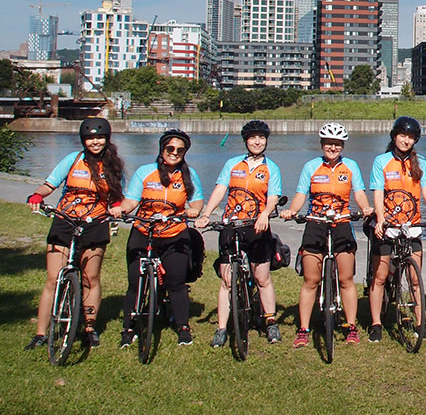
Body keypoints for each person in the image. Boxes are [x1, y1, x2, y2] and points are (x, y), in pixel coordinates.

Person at [25, 117, 126, 350]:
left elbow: (118, 197)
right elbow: (50, 184)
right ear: (83, 140)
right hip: (65, 221)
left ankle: (90, 328)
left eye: (99, 137)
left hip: (95, 223)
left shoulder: (113, 165)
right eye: (90, 138)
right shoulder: (72, 160)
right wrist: (37, 195)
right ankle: (41, 333)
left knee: (91, 279)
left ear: (107, 138)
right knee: (52, 279)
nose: (95, 142)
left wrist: (118, 207)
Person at [280, 122, 371, 347]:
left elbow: (358, 193)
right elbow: (301, 194)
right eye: (329, 143)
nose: (333, 147)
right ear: (322, 144)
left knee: (346, 279)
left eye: (337, 144)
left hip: (342, 223)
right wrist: (292, 210)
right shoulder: (311, 166)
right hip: (316, 223)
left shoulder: (350, 167)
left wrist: (367, 208)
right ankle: (303, 330)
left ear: (342, 145)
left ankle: (351, 327)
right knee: (311, 280)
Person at [196, 120, 284, 346]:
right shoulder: (233, 164)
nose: (257, 141)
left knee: (262, 278)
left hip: (257, 226)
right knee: (226, 281)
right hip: (231, 224)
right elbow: (220, 189)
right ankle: (222, 328)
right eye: (253, 137)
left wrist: (265, 214)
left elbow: (273, 196)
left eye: (261, 137)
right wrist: (206, 214)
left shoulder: (271, 167)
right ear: (246, 140)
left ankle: (271, 321)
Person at [118, 129, 204, 347]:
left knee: (176, 283)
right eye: (170, 148)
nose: (174, 153)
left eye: (180, 150)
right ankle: (129, 327)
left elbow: (197, 202)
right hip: (144, 232)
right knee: (135, 283)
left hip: (174, 233)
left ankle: (183, 327)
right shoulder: (146, 172)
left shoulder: (189, 175)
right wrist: (121, 210)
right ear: (162, 149)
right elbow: (131, 200)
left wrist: (193, 211)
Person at [366, 116, 426, 343]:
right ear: (394, 136)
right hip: (388, 226)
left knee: (415, 279)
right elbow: (378, 192)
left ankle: (420, 324)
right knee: (379, 277)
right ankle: (376, 324)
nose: (406, 141)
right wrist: (380, 219)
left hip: (412, 225)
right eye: (402, 136)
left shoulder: (421, 163)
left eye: (410, 137)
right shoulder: (382, 161)